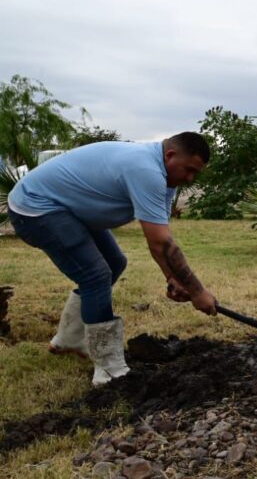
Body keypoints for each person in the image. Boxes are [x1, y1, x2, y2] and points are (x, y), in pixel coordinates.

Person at [6, 132, 218, 386]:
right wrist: (197, 291)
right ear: (170, 155)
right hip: (36, 207)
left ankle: (69, 340)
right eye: (188, 170)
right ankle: (109, 370)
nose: (190, 178)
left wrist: (172, 277)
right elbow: (162, 243)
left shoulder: (164, 179)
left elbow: (159, 240)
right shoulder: (145, 169)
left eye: (196, 174)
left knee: (115, 264)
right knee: (95, 276)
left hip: (70, 209)